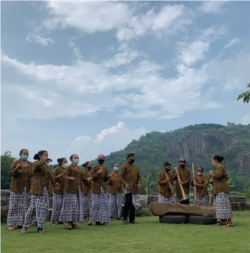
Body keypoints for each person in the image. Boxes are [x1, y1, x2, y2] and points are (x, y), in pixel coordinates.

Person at [22, 150, 54, 233]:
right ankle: (25, 226)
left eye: (47, 155)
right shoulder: (35, 164)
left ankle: (40, 227)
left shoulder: (46, 166)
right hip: (36, 190)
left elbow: (49, 176)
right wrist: (44, 160)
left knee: (43, 209)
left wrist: (55, 183)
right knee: (32, 208)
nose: (47, 156)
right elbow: (39, 164)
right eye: (45, 155)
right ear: (40, 156)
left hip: (45, 190)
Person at [7, 149, 33, 230]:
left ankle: (20, 223)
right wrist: (16, 168)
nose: (26, 155)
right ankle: (10, 223)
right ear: (20, 154)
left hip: (26, 187)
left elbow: (33, 174)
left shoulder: (30, 164)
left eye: (27, 153)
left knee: (25, 206)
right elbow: (10, 173)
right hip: (16, 187)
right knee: (14, 205)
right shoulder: (16, 162)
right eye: (24, 153)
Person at [59, 154, 84, 229]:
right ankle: (66, 221)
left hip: (77, 189)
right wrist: (70, 178)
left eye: (78, 158)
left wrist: (89, 179)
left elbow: (82, 178)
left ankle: (71, 222)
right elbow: (63, 175)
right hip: (70, 189)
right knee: (69, 206)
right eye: (75, 158)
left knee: (75, 206)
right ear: (71, 159)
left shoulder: (79, 168)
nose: (77, 159)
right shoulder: (69, 167)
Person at [209, 155, 234, 227]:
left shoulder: (220, 167)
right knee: (219, 206)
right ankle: (223, 220)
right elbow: (217, 178)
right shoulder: (218, 167)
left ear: (215, 160)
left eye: (213, 160)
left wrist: (211, 174)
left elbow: (218, 175)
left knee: (224, 205)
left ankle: (230, 221)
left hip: (222, 189)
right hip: (218, 190)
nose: (213, 161)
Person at [120, 153, 141, 224]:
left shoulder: (136, 167)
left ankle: (132, 220)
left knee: (134, 204)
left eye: (134, 157)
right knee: (128, 202)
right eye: (132, 157)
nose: (133, 159)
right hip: (127, 187)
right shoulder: (124, 166)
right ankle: (124, 218)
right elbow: (121, 177)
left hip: (135, 188)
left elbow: (139, 176)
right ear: (128, 158)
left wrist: (139, 183)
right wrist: (125, 184)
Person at [90, 154, 111, 225]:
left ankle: (102, 219)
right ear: (98, 159)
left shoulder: (105, 169)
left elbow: (105, 179)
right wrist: (98, 172)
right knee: (96, 204)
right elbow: (92, 177)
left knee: (103, 204)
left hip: (103, 188)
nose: (101, 159)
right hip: (96, 188)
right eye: (100, 158)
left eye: (102, 158)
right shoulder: (95, 167)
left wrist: (109, 177)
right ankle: (95, 220)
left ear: (104, 159)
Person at [50, 158, 67, 225]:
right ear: (61, 163)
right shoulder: (57, 169)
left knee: (63, 206)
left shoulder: (67, 169)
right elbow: (52, 178)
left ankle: (61, 219)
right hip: (57, 190)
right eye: (64, 162)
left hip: (65, 190)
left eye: (66, 161)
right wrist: (58, 176)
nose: (66, 163)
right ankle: (53, 220)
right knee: (57, 205)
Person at [82, 161, 93, 225]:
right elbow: (83, 180)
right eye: (89, 165)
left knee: (90, 204)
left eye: (90, 165)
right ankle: (86, 216)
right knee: (85, 204)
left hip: (91, 189)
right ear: (86, 165)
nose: (90, 166)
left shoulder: (91, 172)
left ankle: (90, 217)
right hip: (85, 189)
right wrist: (88, 180)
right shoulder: (84, 172)